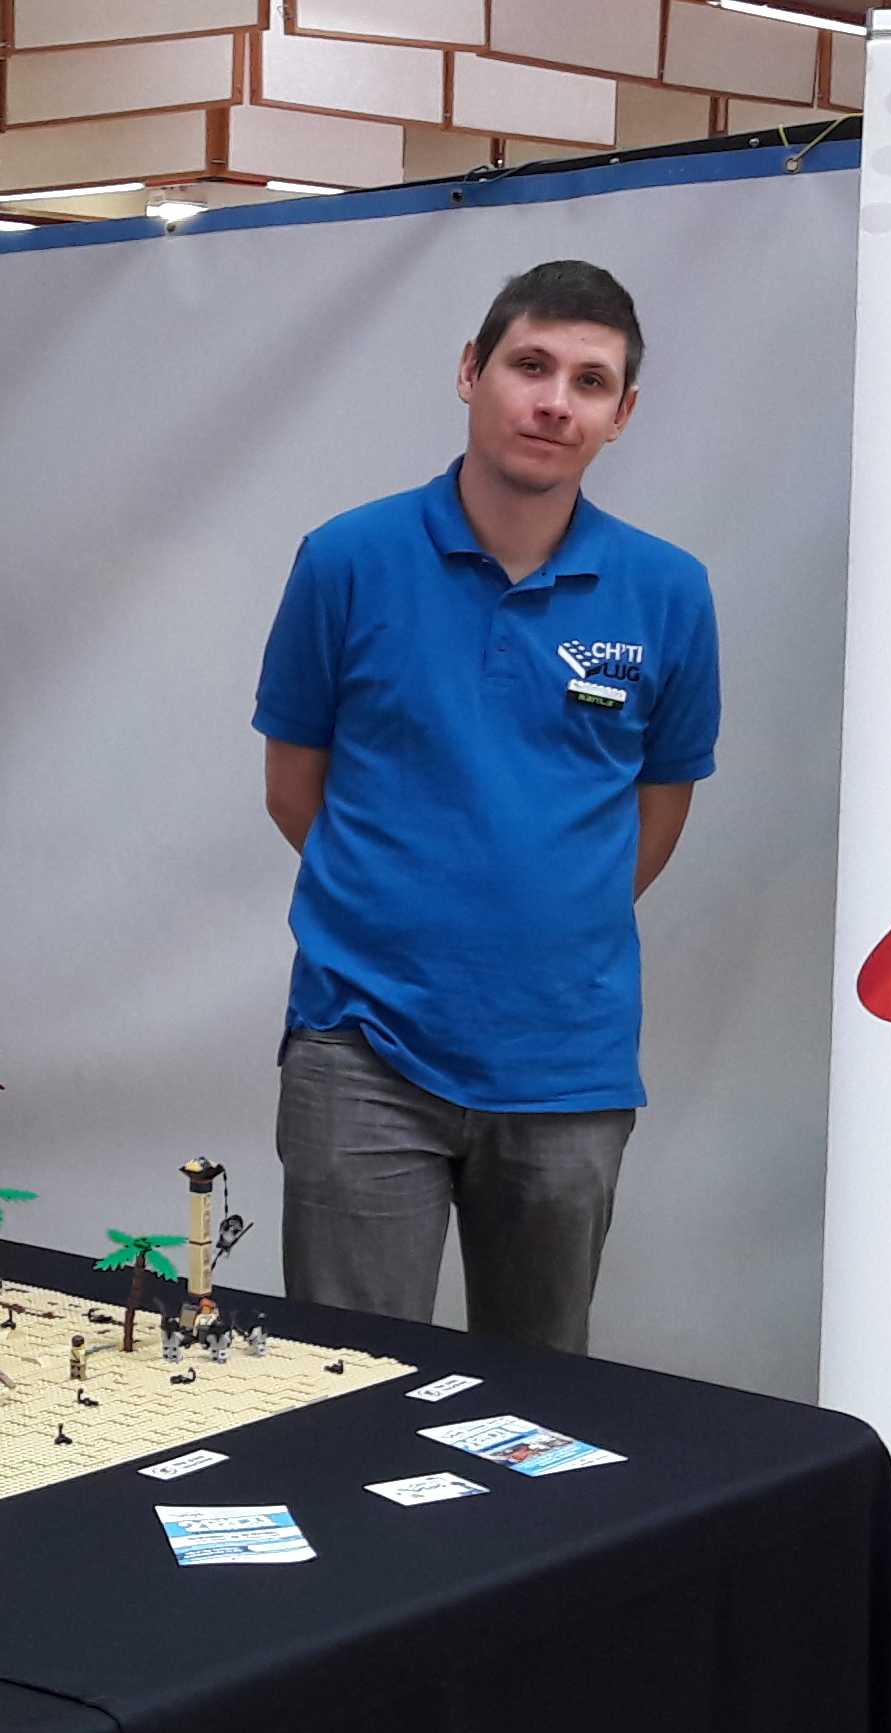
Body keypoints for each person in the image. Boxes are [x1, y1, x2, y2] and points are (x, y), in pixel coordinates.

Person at [252, 260, 721, 1358]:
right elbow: (292, 786)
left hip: (567, 1061)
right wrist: (403, 909)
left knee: (535, 1393)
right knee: (346, 1383)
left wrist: (547, 916)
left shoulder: (667, 591)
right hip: (362, 1046)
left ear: (622, 414)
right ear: (472, 372)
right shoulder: (347, 560)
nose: (554, 401)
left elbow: (658, 807)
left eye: (589, 382)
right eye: (530, 365)